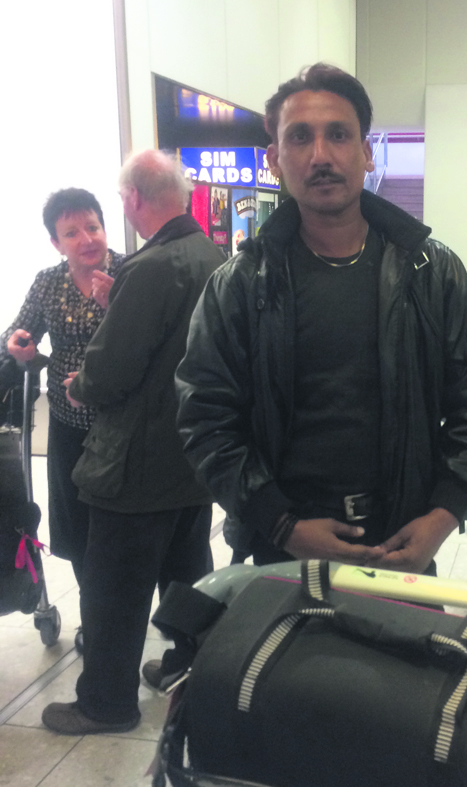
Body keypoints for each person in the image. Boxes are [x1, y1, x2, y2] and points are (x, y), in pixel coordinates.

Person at [175, 64, 467, 577]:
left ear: (367, 153)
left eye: (339, 135)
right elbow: (205, 418)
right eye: (300, 137)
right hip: (285, 551)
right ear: (274, 159)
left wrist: (443, 515)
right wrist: (281, 525)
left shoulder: (432, 273)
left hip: (405, 541)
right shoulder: (240, 285)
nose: (321, 155)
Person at [41, 150, 225, 736]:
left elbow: (112, 371)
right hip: (192, 452)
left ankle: (105, 703)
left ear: (132, 199)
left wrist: (79, 386)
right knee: (186, 573)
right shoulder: (212, 256)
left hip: (135, 463)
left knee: (113, 590)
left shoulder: (150, 267)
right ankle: (190, 668)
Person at [0, 189, 122, 601]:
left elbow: (153, 342)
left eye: (93, 227)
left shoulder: (131, 273)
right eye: (72, 233)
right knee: (77, 525)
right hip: (68, 426)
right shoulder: (49, 282)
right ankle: (94, 607)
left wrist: (116, 305)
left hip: (122, 428)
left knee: (121, 527)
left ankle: (119, 610)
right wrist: (17, 345)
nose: (87, 239)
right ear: (56, 242)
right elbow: (17, 332)